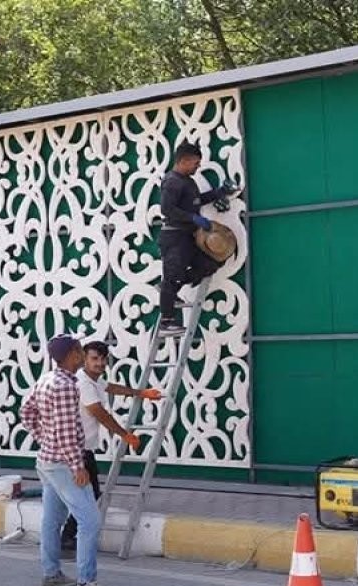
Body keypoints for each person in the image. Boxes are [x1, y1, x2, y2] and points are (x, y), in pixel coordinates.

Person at [19, 333, 113, 586]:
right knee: (90, 521)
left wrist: (43, 438)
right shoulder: (65, 386)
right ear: (73, 354)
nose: (83, 353)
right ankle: (86, 583)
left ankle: (52, 575)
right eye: (79, 349)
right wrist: (77, 466)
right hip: (63, 463)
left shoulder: (47, 379)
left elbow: (26, 412)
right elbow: (66, 431)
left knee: (52, 520)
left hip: (48, 460)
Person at [59, 340, 163, 555]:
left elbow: (110, 387)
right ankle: (68, 539)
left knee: (88, 493)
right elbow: (99, 413)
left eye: (102, 359)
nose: (99, 363)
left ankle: (67, 538)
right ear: (84, 359)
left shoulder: (94, 381)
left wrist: (140, 392)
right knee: (89, 493)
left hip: (83, 448)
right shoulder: (83, 383)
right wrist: (125, 435)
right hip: (77, 449)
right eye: (94, 359)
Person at [157, 142, 239, 336]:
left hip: (190, 237)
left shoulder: (188, 181)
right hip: (174, 237)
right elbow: (167, 209)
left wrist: (219, 192)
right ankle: (167, 321)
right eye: (195, 163)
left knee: (210, 263)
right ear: (184, 161)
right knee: (171, 277)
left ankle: (168, 290)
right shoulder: (172, 181)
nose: (198, 167)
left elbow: (196, 200)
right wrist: (192, 218)